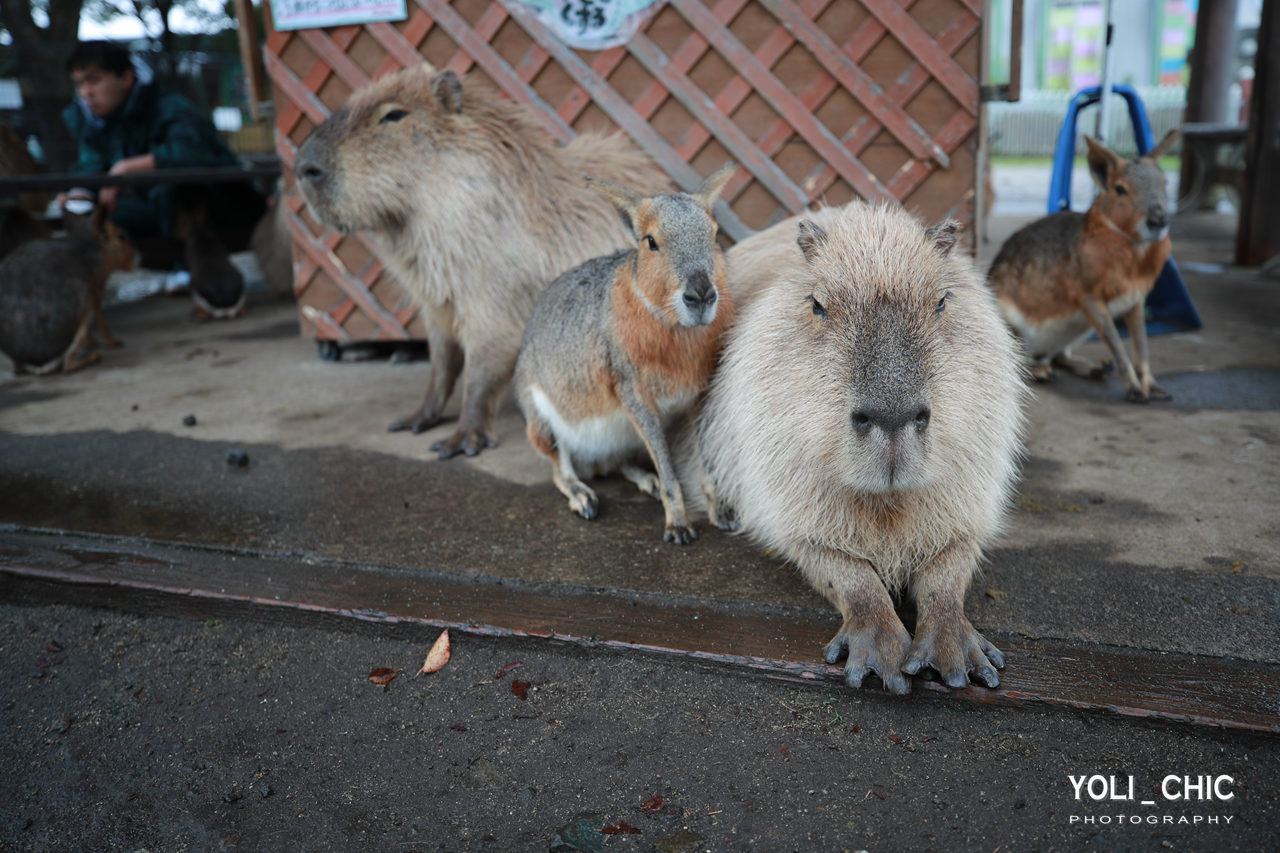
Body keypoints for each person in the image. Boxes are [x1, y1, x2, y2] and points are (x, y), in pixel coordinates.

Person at [59, 41, 264, 240]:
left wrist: (126, 167)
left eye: (94, 80)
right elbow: (90, 165)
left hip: (224, 209)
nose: (86, 92)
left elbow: (192, 152)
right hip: (156, 212)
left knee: (169, 191)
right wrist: (80, 194)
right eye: (79, 83)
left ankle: (186, 269)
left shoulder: (170, 108)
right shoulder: (98, 122)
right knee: (98, 215)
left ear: (126, 77)